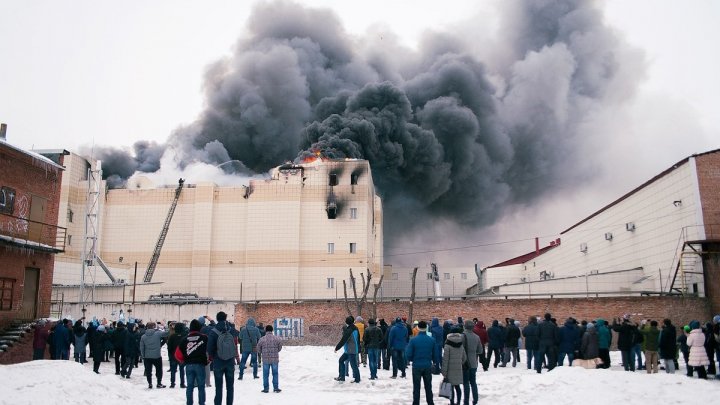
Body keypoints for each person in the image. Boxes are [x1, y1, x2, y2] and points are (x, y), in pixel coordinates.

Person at [206, 311, 240, 405]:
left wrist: (212, 357)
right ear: (225, 318)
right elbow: (237, 339)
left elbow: (209, 347)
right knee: (230, 387)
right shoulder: (231, 330)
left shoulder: (213, 331)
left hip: (218, 361)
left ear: (217, 319)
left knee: (219, 387)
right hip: (230, 361)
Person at [176, 319, 209, 405]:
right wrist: (210, 359)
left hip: (189, 365)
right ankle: (202, 403)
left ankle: (189, 403)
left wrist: (183, 361)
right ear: (199, 328)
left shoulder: (184, 339)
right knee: (201, 386)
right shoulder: (204, 337)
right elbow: (210, 349)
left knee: (190, 386)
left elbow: (177, 354)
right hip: (200, 364)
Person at [405, 320, 435, 405]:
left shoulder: (413, 340)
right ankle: (430, 402)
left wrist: (412, 359)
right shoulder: (431, 340)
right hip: (427, 365)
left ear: (418, 328)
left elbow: (408, 354)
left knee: (416, 387)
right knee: (428, 386)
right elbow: (435, 353)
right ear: (426, 328)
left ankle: (416, 402)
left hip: (417, 366)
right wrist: (434, 361)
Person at [140, 321, 170, 389]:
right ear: (154, 327)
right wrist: (167, 327)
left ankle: (150, 383)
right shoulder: (158, 334)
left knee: (148, 371)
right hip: (157, 356)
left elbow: (142, 347)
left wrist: (143, 356)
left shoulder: (143, 336)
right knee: (159, 370)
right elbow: (167, 333)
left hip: (147, 356)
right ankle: (159, 383)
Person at [442, 326, 466, 405]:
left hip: (449, 369)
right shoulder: (461, 344)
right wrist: (460, 363)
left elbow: (445, 359)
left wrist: (444, 372)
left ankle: (452, 402)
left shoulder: (447, 345)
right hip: (458, 369)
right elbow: (464, 358)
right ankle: (458, 402)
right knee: (457, 387)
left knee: (451, 387)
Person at [256, 324, 283, 393]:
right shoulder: (277, 338)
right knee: (275, 373)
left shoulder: (262, 339)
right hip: (275, 359)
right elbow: (280, 347)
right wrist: (276, 351)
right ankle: (276, 388)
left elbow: (258, 349)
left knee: (265, 374)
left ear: (265, 330)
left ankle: (266, 388)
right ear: (272, 330)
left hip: (265, 359)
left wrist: (263, 352)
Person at [334, 315, 361, 383]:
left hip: (351, 350)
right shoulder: (355, 328)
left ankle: (357, 379)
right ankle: (341, 377)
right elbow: (358, 338)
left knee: (353, 364)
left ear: (347, 322)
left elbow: (343, 340)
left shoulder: (349, 330)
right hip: (350, 349)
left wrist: (337, 348)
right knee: (341, 360)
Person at [462, 320, 482, 405]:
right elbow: (480, 350)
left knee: (466, 383)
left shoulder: (462, 336)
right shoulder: (477, 337)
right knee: (473, 382)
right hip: (474, 362)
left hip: (465, 363)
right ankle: (475, 399)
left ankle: (466, 401)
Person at [168, 322, 187, 388]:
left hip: (173, 356)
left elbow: (169, 347)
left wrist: (171, 354)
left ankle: (172, 383)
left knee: (173, 370)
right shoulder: (184, 336)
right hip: (181, 356)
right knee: (182, 370)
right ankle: (182, 383)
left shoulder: (172, 336)